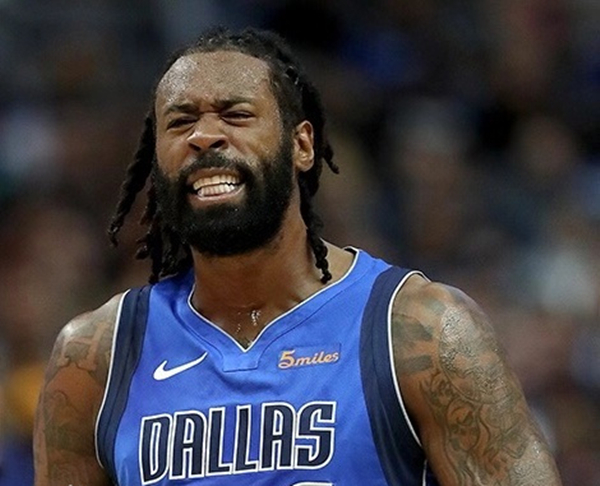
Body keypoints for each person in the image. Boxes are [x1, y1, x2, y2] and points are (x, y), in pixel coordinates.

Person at [33, 27, 562, 485]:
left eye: (236, 114)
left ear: (302, 145)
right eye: (180, 122)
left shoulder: (420, 330)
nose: (204, 136)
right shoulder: (94, 358)